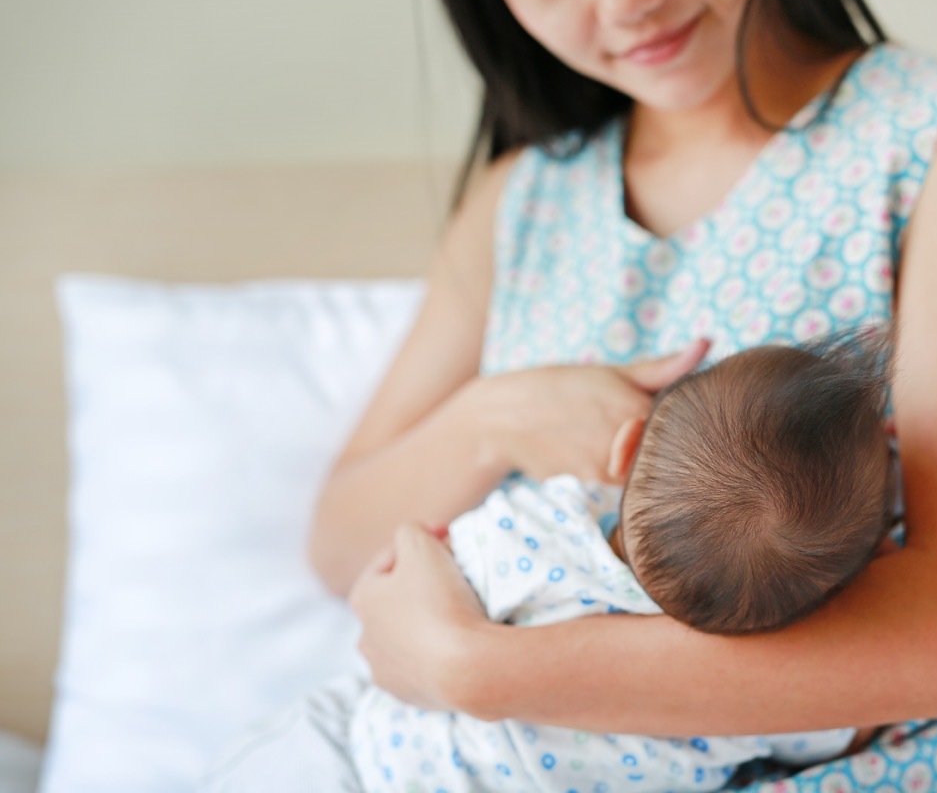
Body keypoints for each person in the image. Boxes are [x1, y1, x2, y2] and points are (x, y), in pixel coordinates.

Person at [315, 0, 937, 790]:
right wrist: (498, 418)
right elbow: (338, 547)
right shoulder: (521, 204)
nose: (629, 5)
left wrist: (482, 673)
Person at [203, 339, 895, 792]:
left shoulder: (536, 525)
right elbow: (860, 717)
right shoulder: (760, 700)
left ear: (624, 453)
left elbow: (410, 564)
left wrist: (421, 545)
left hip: (348, 762)